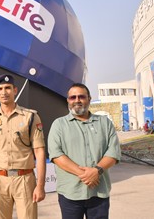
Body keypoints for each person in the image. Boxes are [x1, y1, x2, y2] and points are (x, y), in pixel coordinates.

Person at [48, 83, 121, 219]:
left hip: (99, 192)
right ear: (68, 100)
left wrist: (96, 171)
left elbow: (113, 152)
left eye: (81, 96)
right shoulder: (59, 125)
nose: (77, 100)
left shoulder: (105, 123)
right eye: (73, 97)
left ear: (89, 99)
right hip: (70, 193)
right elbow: (56, 155)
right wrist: (86, 175)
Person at [0, 74, 46, 219]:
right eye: (0, 89)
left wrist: (40, 186)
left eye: (8, 88)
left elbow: (40, 152)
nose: (4, 92)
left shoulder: (30, 117)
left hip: (25, 180)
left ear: (15, 90)